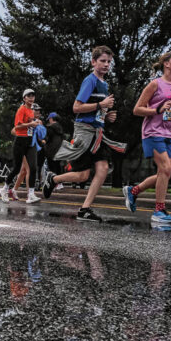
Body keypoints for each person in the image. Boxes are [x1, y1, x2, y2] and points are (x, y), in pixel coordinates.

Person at [43, 45, 123, 222]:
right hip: (85, 132)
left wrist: (106, 116)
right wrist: (101, 105)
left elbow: (96, 110)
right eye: (102, 61)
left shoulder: (104, 84)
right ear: (93, 62)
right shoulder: (90, 80)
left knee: (102, 169)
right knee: (82, 175)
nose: (106, 64)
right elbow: (77, 107)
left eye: (109, 62)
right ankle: (53, 179)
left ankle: (85, 209)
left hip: (97, 132)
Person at [123, 51, 171, 224]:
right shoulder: (155, 84)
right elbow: (137, 109)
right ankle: (159, 210)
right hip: (152, 132)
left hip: (170, 133)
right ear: (166, 64)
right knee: (166, 169)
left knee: (165, 173)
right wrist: (157, 110)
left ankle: (133, 191)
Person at [0, 89, 41, 204]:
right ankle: (4, 189)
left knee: (33, 168)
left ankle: (31, 194)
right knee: (17, 168)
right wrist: (31, 124)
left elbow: (31, 126)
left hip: (30, 141)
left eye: (33, 96)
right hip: (20, 141)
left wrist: (36, 124)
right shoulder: (21, 109)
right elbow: (17, 126)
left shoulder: (32, 111)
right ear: (24, 98)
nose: (31, 98)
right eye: (29, 96)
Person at [14, 103, 46, 195]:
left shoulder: (38, 122)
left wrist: (41, 139)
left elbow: (40, 136)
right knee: (29, 170)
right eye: (36, 110)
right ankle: (30, 194)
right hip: (24, 146)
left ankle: (14, 190)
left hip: (33, 147)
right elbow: (14, 130)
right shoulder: (26, 120)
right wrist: (24, 135)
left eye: (39, 110)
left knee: (23, 171)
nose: (38, 112)